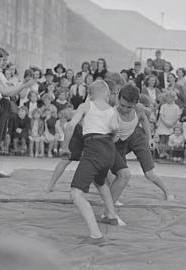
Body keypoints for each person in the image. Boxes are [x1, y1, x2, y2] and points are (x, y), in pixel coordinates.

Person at [67, 80, 125, 244]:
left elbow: (71, 125)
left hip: (93, 148)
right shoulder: (112, 110)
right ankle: (112, 216)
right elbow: (115, 129)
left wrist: (65, 146)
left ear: (90, 95)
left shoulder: (86, 106)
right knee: (100, 182)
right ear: (106, 93)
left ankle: (96, 235)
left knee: (76, 193)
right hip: (109, 151)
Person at [109, 84, 171, 202]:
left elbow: (144, 119)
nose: (125, 109)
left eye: (129, 107)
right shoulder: (112, 110)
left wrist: (149, 138)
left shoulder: (138, 108)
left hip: (137, 136)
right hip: (119, 142)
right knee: (118, 173)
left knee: (149, 174)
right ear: (118, 99)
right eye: (122, 105)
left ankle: (167, 192)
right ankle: (113, 198)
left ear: (135, 103)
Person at [0, 47, 34, 186]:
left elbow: (8, 89)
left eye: (1, 60)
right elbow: (6, 92)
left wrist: (23, 84)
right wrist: (23, 85)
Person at [156, 91, 181, 158]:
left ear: (173, 98)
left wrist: (172, 123)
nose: (168, 99)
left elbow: (178, 116)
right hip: (163, 124)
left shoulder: (176, 107)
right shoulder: (163, 106)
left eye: (170, 98)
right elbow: (161, 116)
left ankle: (166, 152)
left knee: (168, 139)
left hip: (172, 125)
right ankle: (161, 152)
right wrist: (165, 123)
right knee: (162, 139)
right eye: (167, 97)